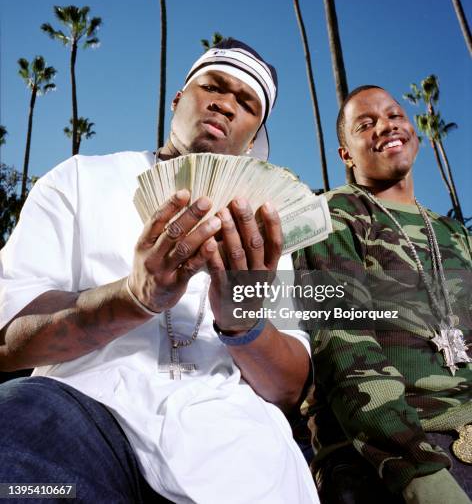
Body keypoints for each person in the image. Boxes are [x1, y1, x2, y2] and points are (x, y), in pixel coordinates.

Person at [0, 39, 319, 504]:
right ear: (178, 100)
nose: (225, 103)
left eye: (246, 102)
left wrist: (243, 323)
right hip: (81, 415)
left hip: (238, 451)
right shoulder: (79, 179)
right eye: (212, 86)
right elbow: (8, 339)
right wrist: (132, 298)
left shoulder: (265, 231)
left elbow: (289, 388)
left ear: (253, 138)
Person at [294, 86, 471, 504]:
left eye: (394, 115)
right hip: (398, 452)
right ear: (346, 155)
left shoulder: (455, 232)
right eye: (366, 124)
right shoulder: (331, 216)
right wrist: (417, 471)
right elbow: (341, 346)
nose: (386, 126)